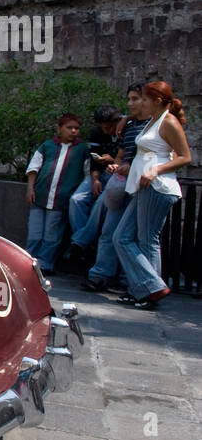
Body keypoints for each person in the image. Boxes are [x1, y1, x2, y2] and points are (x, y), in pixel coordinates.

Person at [113, 81, 192, 309]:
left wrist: (156, 169)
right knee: (122, 237)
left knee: (147, 240)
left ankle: (150, 290)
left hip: (157, 186)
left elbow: (185, 157)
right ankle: (144, 288)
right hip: (144, 185)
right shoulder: (153, 121)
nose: (142, 103)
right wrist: (125, 118)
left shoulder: (168, 122)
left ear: (157, 101)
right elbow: (136, 119)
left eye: (144, 99)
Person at [83, 85, 150, 292]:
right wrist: (117, 164)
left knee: (133, 237)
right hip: (122, 182)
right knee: (109, 232)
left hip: (142, 185)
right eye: (129, 98)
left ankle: (131, 279)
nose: (129, 103)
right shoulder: (129, 125)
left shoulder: (156, 125)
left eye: (135, 99)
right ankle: (100, 274)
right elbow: (122, 154)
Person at [25, 114, 92, 273]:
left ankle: (45, 264)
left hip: (60, 200)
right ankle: (28, 261)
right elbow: (33, 168)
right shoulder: (47, 146)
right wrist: (30, 189)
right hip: (40, 196)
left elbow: (88, 173)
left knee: (52, 234)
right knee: (35, 232)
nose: (73, 131)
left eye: (76, 128)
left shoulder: (82, 150)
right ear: (59, 128)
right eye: (69, 128)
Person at [65, 104, 121, 264]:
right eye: (102, 128)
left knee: (101, 203)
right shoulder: (97, 133)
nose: (106, 131)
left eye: (108, 128)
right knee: (77, 200)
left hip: (116, 174)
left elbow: (125, 158)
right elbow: (94, 162)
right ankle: (85, 242)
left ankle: (79, 243)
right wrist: (95, 179)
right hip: (99, 172)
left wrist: (112, 160)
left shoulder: (125, 130)